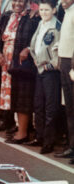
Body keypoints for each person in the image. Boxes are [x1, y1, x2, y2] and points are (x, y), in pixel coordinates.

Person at [0, 0, 40, 144]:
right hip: (5, 63)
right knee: (11, 96)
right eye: (15, 0)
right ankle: (17, 127)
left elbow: (39, 37)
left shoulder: (33, 17)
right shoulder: (7, 16)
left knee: (23, 96)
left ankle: (23, 132)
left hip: (23, 64)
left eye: (21, 1)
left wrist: (28, 49)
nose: (18, 4)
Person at [28, 0, 61, 154]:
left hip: (50, 71)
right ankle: (39, 136)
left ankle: (49, 141)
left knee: (50, 107)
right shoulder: (41, 23)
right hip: (39, 69)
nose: (43, 13)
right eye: (41, 9)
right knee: (38, 105)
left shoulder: (57, 26)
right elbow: (36, 44)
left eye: (47, 10)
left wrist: (50, 65)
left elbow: (59, 50)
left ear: (54, 10)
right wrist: (34, 56)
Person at [55, 0, 74, 160]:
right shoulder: (68, 11)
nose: (62, 1)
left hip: (72, 63)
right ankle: (71, 146)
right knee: (69, 108)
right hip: (65, 60)